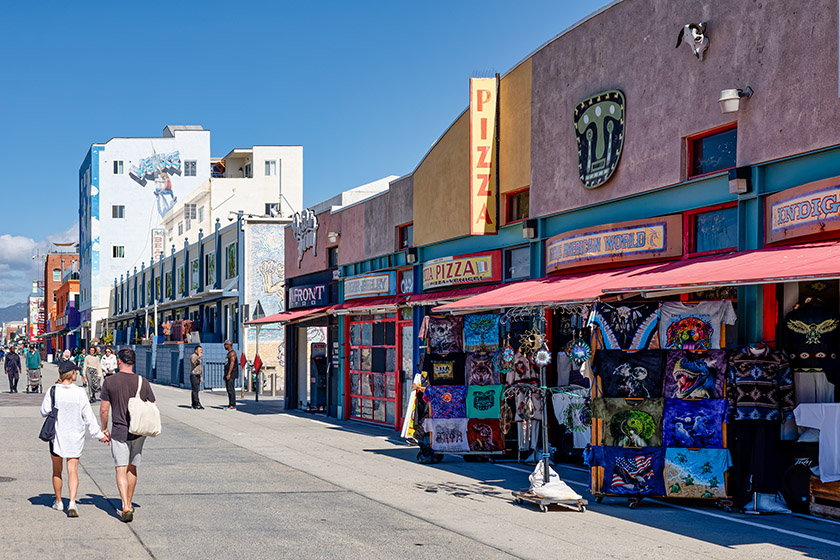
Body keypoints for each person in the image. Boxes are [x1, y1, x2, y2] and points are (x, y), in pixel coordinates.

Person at [40, 361, 109, 516]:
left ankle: (58, 502)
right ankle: (72, 502)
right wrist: (99, 434)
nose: (77, 374)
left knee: (57, 471)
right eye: (75, 372)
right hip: (75, 436)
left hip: (56, 436)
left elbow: (44, 411)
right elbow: (88, 417)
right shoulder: (79, 393)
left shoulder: (53, 391)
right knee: (73, 470)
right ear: (71, 374)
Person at [100, 347, 155, 522]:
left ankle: (125, 505)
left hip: (119, 430)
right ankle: (130, 502)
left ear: (119, 361)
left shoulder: (110, 382)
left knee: (121, 468)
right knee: (132, 467)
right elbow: (152, 403)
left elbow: (104, 409)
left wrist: (104, 428)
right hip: (138, 431)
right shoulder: (142, 381)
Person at [224, 340, 238, 410]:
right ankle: (230, 404)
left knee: (231, 389)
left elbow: (232, 364)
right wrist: (225, 374)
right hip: (228, 374)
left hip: (231, 374)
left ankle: (233, 405)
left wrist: (229, 374)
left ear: (229, 345)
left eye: (225, 344)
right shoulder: (229, 353)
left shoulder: (232, 353)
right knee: (228, 389)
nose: (224, 346)